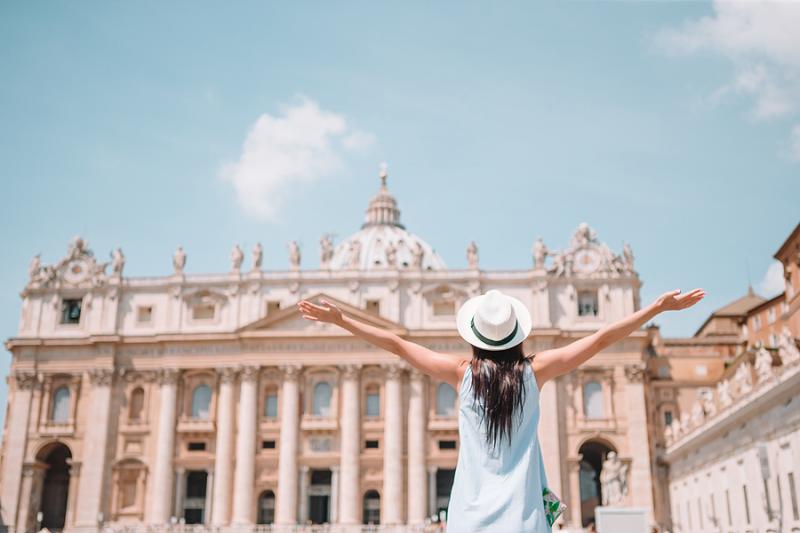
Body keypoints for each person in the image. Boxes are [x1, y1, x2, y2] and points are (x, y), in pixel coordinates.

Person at [298, 286, 705, 531]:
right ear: (517, 336)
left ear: (474, 337)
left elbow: (398, 345)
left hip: (467, 520)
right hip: (524, 520)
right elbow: (599, 340)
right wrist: (655, 309)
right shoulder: (536, 371)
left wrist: (343, 320)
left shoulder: (462, 374)